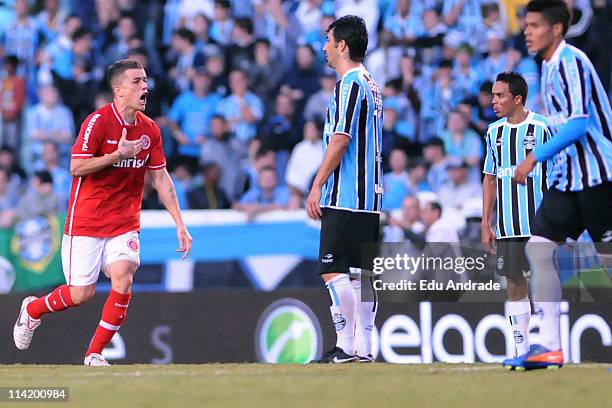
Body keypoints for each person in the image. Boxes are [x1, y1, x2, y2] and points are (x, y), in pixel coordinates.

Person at [13, 59, 193, 366]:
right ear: (119, 90)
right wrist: (116, 155)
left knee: (123, 277)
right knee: (80, 294)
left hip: (124, 221)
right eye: (137, 81)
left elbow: (161, 178)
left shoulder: (150, 130)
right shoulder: (97, 122)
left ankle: (94, 354)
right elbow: (75, 167)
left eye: (146, 80)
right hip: (86, 221)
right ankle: (33, 310)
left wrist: (180, 223)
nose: (145, 86)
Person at [512, 0, 611, 371]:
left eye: (535, 24)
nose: (527, 31)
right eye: (526, 24)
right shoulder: (549, 66)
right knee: (538, 248)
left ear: (556, 29)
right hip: (570, 178)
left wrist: (534, 157)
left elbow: (579, 124)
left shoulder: (571, 61)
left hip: (599, 175)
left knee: (606, 261)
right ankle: (549, 346)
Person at [306, 16, 383, 364]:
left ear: (343, 46)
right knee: (359, 274)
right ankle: (363, 347)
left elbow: (340, 140)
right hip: (369, 197)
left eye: (328, 40)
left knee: (332, 268)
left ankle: (344, 345)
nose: (324, 47)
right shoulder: (371, 84)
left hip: (347, 194)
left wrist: (317, 183)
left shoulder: (350, 84)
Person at [481, 71, 551, 364]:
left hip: (541, 223)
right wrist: (486, 222)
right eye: (494, 95)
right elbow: (490, 178)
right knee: (514, 285)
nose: (493, 101)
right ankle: (520, 352)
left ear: (517, 99)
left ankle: (549, 346)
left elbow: (558, 169)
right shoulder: (493, 132)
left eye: (500, 96)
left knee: (545, 283)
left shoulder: (543, 127)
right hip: (508, 225)